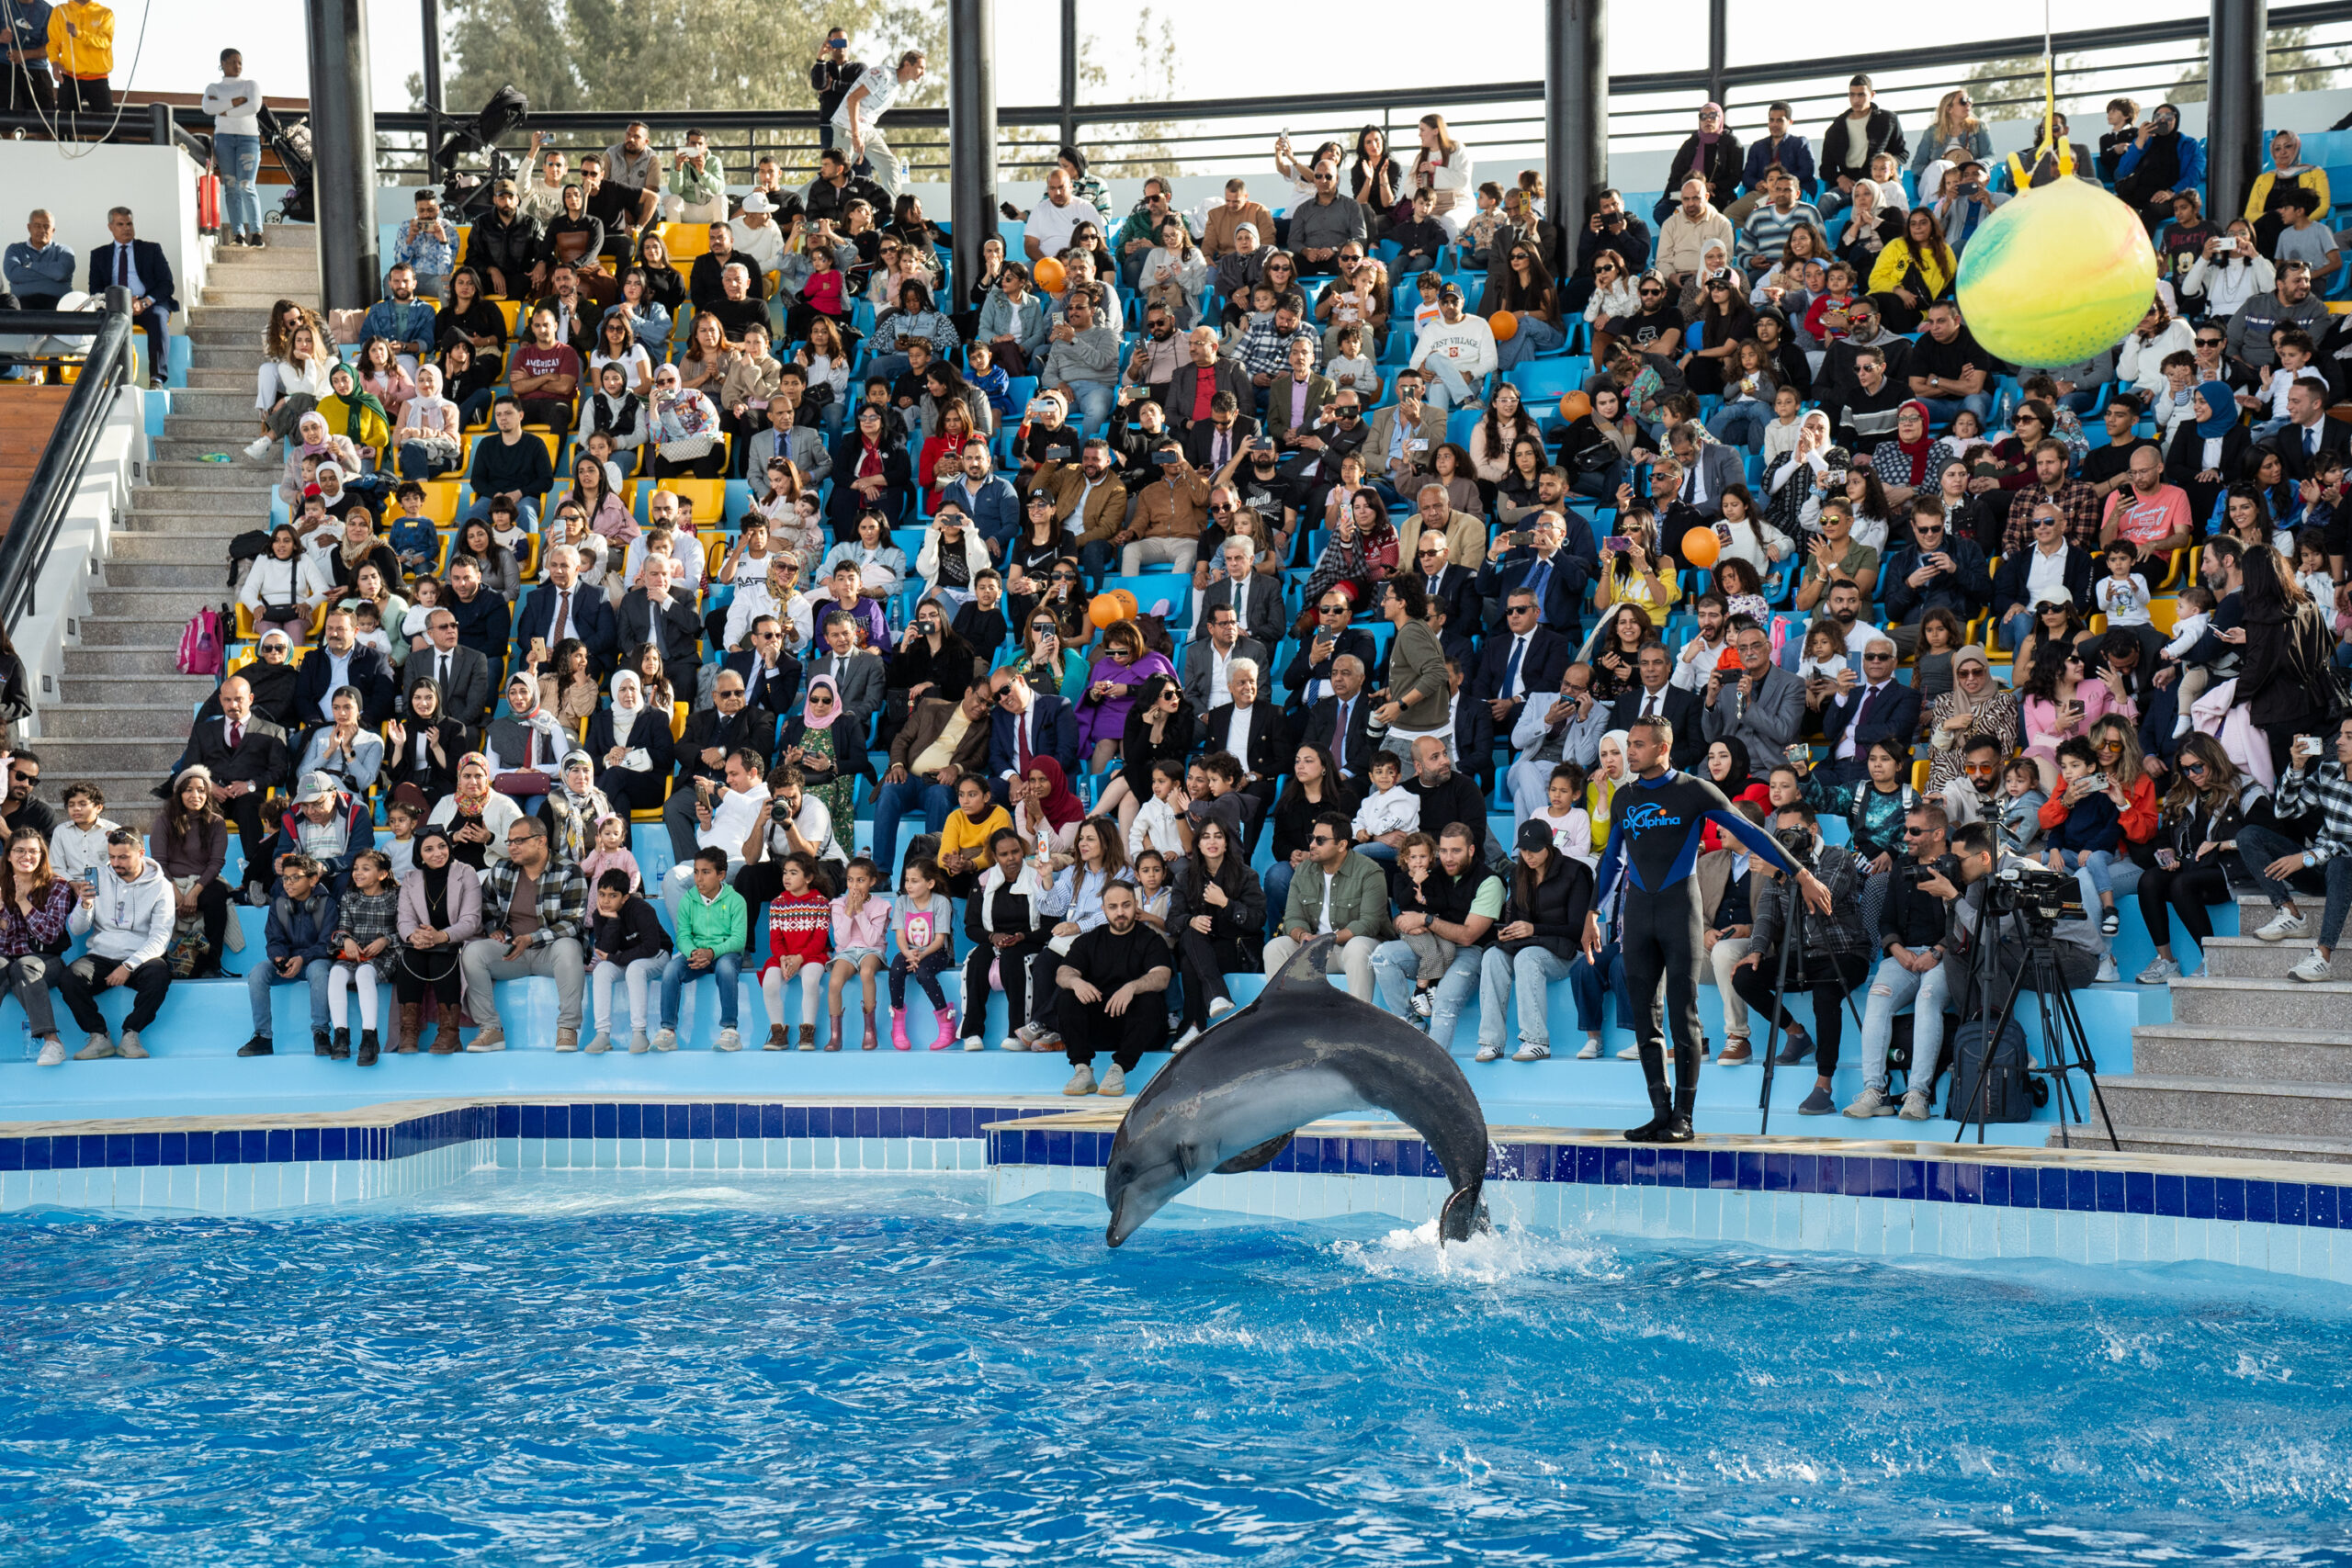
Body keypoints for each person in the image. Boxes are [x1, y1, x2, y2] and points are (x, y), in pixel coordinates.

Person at [1589, 715, 1825, 1141]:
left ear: (1663, 748)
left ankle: (1684, 1117)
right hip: (1638, 915)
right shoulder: (1625, 797)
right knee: (1645, 1017)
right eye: (1630, 744)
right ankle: (1660, 1112)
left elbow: (1751, 832)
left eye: (1639, 745)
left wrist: (1801, 873)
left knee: (1683, 1014)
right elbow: (1611, 859)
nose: (1629, 752)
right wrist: (1593, 912)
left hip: (1680, 910)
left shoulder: (1694, 790)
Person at [2236, 716, 2352, 983]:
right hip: (2320, 867)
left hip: (2345, 871)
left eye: (2349, 737)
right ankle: (2289, 911)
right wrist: (2297, 767)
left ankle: (2322, 956)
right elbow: (2285, 811)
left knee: (2341, 863)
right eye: (2341, 734)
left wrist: (2308, 856)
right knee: (2249, 835)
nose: (2339, 741)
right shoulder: (2328, 771)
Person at [458, 816, 588, 1053]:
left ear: (541, 841)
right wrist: (493, 929)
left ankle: (567, 1029)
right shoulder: (502, 869)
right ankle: (491, 1029)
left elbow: (573, 923)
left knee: (570, 947)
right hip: (511, 953)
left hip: (550, 953)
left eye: (519, 841)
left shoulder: (569, 871)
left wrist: (531, 938)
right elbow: (485, 904)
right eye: (509, 841)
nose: (512, 847)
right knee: (473, 952)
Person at [1052, 881, 1170, 1098]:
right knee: (1067, 996)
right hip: (1099, 1027)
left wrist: (1132, 987)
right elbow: (1063, 972)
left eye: (1126, 905)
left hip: (1137, 1029)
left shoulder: (1150, 940)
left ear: (1135, 905)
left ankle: (1119, 1070)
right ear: (1103, 909)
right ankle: (1082, 1070)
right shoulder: (1089, 940)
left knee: (1151, 1001)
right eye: (1113, 907)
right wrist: (1077, 982)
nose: (1120, 912)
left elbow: (1162, 976)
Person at [1260, 807, 1391, 1001]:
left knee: (1358, 947)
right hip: (1316, 949)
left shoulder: (1369, 871)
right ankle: (1287, 1015)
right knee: (1275, 947)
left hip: (1352, 949)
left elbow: (1370, 923)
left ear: (1342, 845)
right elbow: (1293, 918)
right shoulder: (1304, 870)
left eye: (1320, 840)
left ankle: (1357, 1015)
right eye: (1311, 838)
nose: (1312, 845)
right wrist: (1303, 936)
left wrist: (1328, 939)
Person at [653, 847, 749, 1053]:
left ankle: (730, 1031)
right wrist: (693, 953)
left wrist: (712, 952)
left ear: (721, 875)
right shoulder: (688, 899)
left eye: (706, 872)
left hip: (726, 954)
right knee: (671, 970)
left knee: (725, 968)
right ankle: (668, 1031)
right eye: (696, 872)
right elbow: (683, 936)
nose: (698, 878)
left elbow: (738, 940)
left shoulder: (736, 900)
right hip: (697, 954)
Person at [87, 206, 174, 386]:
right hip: (115, 306)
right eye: (121, 224)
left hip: (147, 305)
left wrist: (144, 303)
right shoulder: (99, 255)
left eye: (129, 224)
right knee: (100, 321)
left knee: (158, 318)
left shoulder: (151, 249)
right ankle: (105, 379)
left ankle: (157, 379)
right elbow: (95, 289)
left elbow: (167, 284)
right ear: (110, 227)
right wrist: (118, 303)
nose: (126, 228)